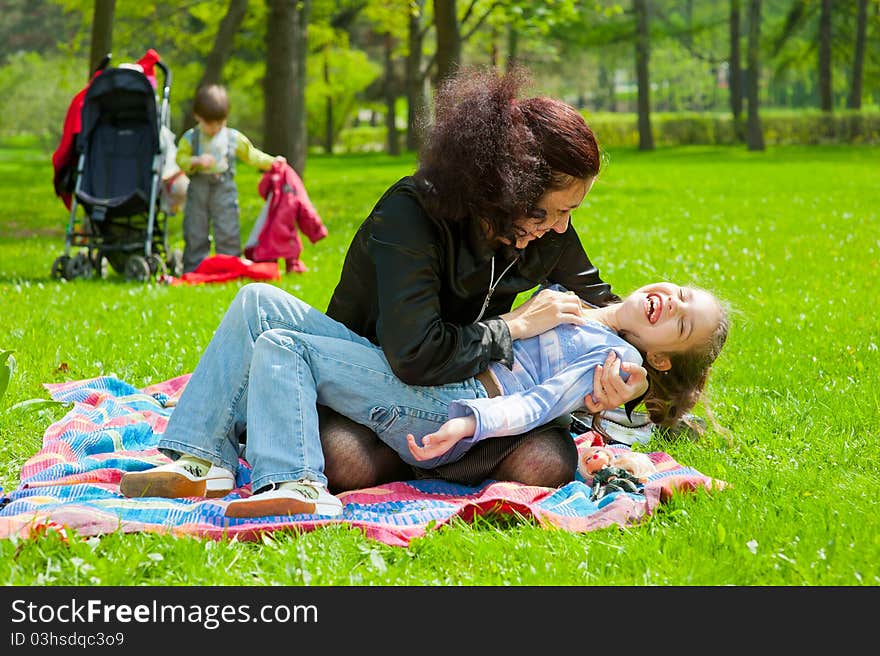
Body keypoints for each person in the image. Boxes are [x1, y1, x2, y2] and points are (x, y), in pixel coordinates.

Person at [119, 280, 729, 519]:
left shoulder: (612, 360)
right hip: (428, 370)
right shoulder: (583, 300)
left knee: (285, 347)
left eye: (680, 322)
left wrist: (469, 421)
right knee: (257, 301)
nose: (671, 303)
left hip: (452, 401)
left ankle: (296, 484)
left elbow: (535, 405)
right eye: (679, 292)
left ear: (661, 357)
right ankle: (200, 458)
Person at [317, 66, 649, 493]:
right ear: (510, 189)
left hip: (473, 404)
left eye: (571, 213)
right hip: (373, 393)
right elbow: (415, 355)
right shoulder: (411, 214)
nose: (563, 228)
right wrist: (514, 327)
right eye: (554, 211)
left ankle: (436, 463)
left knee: (548, 462)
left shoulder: (546, 233)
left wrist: (631, 383)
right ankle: (432, 465)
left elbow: (610, 309)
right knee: (344, 462)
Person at [176, 84, 286, 273]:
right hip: (198, 189)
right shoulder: (190, 138)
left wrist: (272, 162)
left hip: (223, 188)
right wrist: (195, 160)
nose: (215, 129)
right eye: (209, 124)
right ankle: (194, 268)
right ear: (197, 117)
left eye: (220, 124)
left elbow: (252, 155)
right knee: (195, 228)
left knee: (228, 226)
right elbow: (180, 159)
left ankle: (230, 265)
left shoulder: (232, 138)